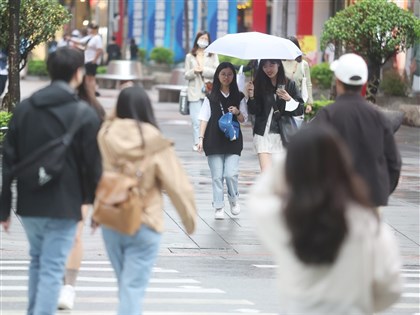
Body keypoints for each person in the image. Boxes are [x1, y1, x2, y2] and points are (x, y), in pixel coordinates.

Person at [249, 125, 402, 315]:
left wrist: (288, 159)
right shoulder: (366, 222)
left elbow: (259, 195)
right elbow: (391, 287)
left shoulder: (284, 219)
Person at [0, 47, 102, 315]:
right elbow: (94, 166)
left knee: (37, 261)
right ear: (79, 74)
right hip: (65, 204)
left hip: (30, 202)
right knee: (53, 266)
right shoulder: (85, 114)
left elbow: (8, 159)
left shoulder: (24, 110)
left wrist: (4, 207)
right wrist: (95, 205)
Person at [95, 86, 196, 315]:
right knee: (133, 287)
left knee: (125, 284)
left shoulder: (105, 134)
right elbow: (177, 184)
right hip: (145, 219)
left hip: (112, 217)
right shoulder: (153, 138)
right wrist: (189, 220)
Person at [313, 53, 401, 208]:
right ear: (364, 84)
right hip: (370, 201)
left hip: (335, 202)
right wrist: (381, 192)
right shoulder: (379, 118)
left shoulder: (327, 115)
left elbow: (309, 155)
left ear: (338, 82)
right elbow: (394, 163)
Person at [57, 75, 106, 310]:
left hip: (71, 181)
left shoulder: (89, 111)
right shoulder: (94, 112)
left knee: (69, 234)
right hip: (74, 182)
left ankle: (66, 286)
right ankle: (66, 285)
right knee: (71, 235)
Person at [197, 62, 248, 219]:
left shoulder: (238, 96)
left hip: (233, 140)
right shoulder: (210, 97)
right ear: (218, 76)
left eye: (230, 74)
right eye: (223, 74)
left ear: (234, 76)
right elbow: (204, 118)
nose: (226, 77)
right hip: (213, 141)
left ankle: (234, 199)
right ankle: (218, 206)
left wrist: (237, 111)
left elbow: (243, 119)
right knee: (217, 176)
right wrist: (200, 139)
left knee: (231, 174)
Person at [246, 59, 304, 171]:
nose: (268, 69)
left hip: (281, 134)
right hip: (262, 133)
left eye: (271, 65)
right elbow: (253, 111)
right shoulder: (258, 84)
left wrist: (289, 99)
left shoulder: (289, 84)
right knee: (266, 173)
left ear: (278, 65)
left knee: (280, 175)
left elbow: (300, 109)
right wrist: (252, 96)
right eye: (264, 66)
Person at [184, 30, 219, 151]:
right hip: (194, 91)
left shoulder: (213, 55)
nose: (203, 41)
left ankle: (207, 141)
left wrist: (203, 70)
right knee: (195, 119)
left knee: (209, 118)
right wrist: (194, 71)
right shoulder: (190, 56)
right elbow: (186, 75)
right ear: (197, 39)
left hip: (209, 91)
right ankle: (197, 142)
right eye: (201, 38)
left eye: (206, 39)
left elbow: (217, 72)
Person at [282, 36, 314, 117]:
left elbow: (308, 84)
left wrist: (309, 103)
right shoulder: (279, 63)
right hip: (281, 102)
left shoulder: (303, 64)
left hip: (297, 103)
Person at [72, 22, 103, 96]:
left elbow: (99, 50)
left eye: (91, 28)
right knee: (88, 77)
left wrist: (94, 60)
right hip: (88, 59)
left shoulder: (97, 38)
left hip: (92, 60)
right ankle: (90, 91)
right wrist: (70, 39)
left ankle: (92, 92)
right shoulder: (90, 37)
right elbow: (81, 43)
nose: (90, 30)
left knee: (91, 77)